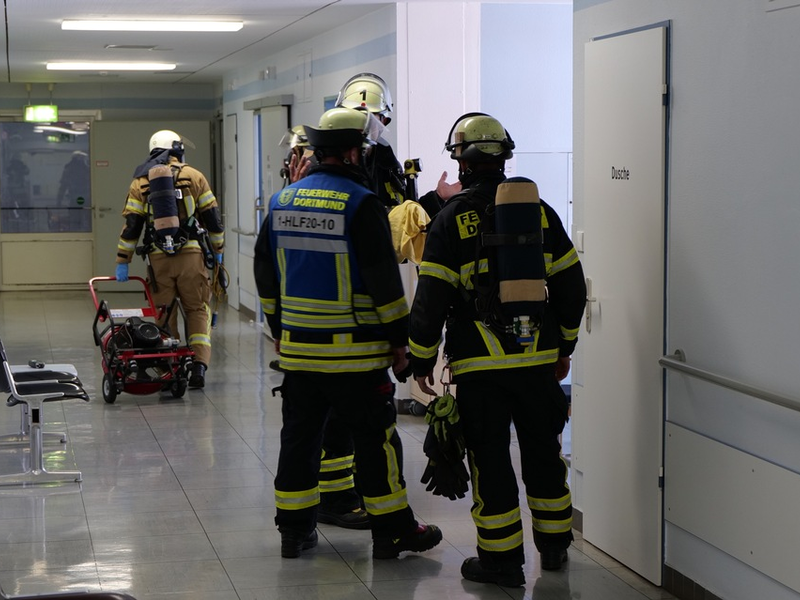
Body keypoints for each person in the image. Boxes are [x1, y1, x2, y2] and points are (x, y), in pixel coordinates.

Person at [253, 106, 443, 559]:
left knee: (299, 441)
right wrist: (401, 344)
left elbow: (265, 272)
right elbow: (385, 285)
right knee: (376, 444)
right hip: (357, 357)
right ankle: (394, 531)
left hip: (300, 355)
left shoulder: (283, 201)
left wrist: (280, 327)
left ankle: (294, 532)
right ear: (356, 152)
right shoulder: (360, 204)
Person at [408, 113, 586, 587]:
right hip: (537, 361)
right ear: (504, 157)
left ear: (460, 162)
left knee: (490, 461)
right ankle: (553, 548)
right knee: (545, 455)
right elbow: (572, 288)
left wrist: (421, 357)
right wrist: (562, 344)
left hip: (480, 367)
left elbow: (432, 297)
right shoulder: (542, 213)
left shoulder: (449, 221)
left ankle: (502, 561)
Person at [114, 129, 224, 389]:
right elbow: (213, 219)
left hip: (158, 259)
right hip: (192, 257)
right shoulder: (194, 176)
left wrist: (123, 260)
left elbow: (132, 226)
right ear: (176, 148)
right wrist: (218, 250)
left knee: (164, 313)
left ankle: (169, 367)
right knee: (197, 310)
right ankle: (198, 365)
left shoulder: (140, 182)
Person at [335, 72, 460, 218]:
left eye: (370, 121)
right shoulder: (325, 159)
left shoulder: (385, 161)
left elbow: (404, 218)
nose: (363, 128)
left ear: (383, 122)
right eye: (355, 118)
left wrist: (438, 196)